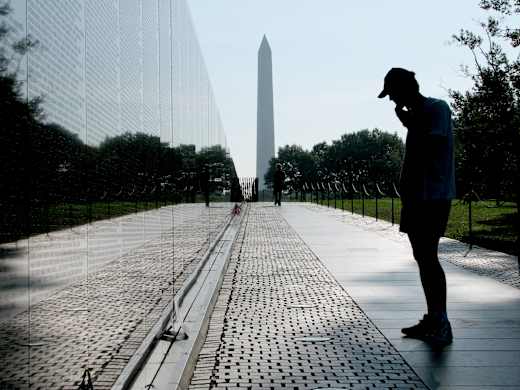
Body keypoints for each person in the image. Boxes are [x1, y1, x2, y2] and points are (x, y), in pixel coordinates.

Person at [378, 68, 456, 348]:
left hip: (432, 197)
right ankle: (434, 317)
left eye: (393, 94)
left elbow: (433, 144)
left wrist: (410, 123)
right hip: (415, 198)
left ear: (406, 88)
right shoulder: (419, 115)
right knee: (422, 257)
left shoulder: (437, 109)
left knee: (429, 257)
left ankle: (442, 321)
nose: (391, 101)